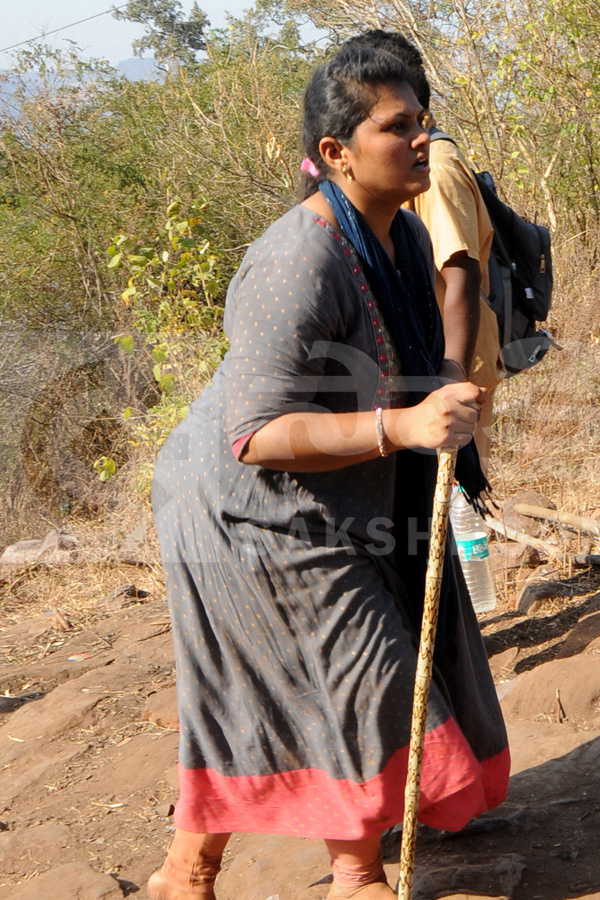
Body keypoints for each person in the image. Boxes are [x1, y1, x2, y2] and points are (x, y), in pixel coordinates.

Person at [149, 43, 509, 900]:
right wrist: (404, 424)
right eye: (398, 126)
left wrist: (442, 403)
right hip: (243, 509)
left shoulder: (405, 232)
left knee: (280, 686)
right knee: (359, 673)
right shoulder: (297, 260)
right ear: (336, 153)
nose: (423, 139)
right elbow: (254, 433)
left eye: (424, 121)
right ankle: (355, 877)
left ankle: (188, 874)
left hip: (336, 497)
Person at [344, 31, 504, 474]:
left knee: (454, 508)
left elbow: (460, 274)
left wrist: (450, 375)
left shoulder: (437, 166)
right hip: (422, 370)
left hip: (453, 365)